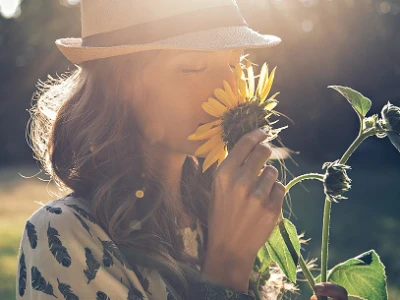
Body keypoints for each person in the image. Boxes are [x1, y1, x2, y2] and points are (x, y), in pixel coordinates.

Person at [16, 0, 348, 299]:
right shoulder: (64, 236)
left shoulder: (216, 210)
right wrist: (227, 268)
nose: (231, 88)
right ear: (121, 85)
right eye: (193, 67)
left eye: (235, 65)